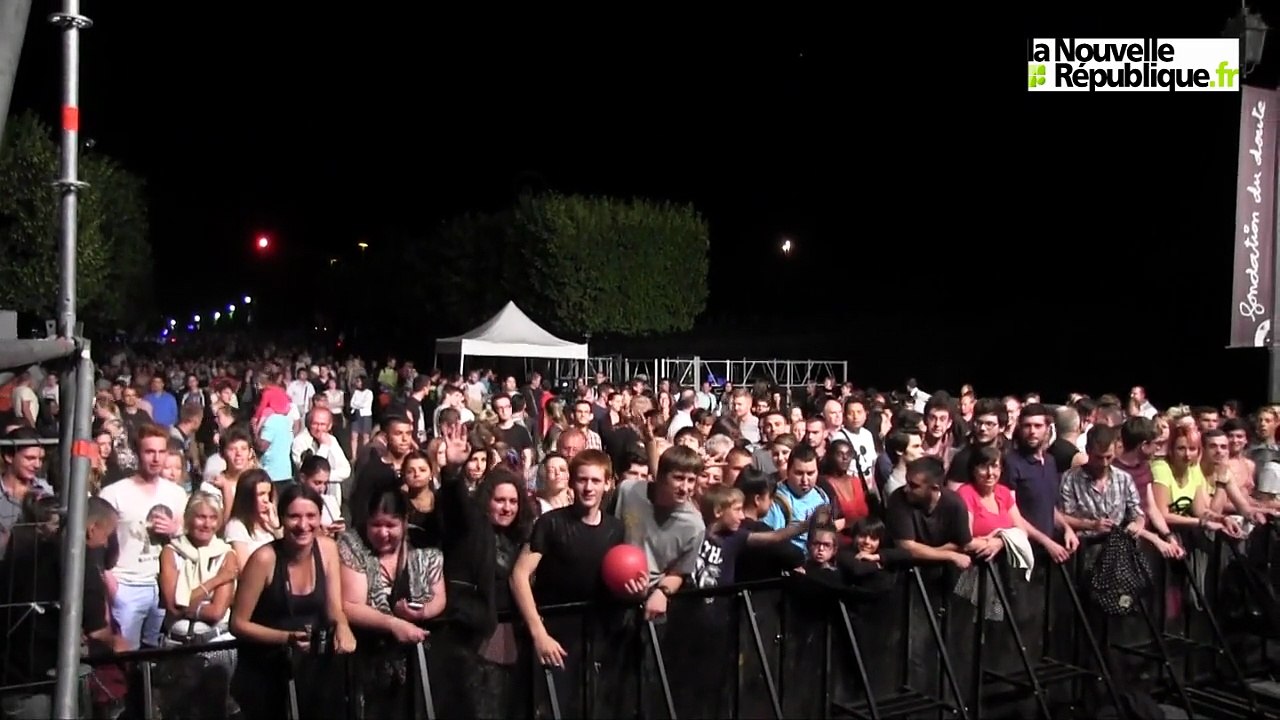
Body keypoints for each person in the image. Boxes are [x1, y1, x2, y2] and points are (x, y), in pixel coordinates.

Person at [510, 449, 625, 718]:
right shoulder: (550, 523)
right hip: (553, 638)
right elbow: (518, 576)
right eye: (582, 480)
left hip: (595, 639)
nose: (588, 487)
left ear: (608, 484)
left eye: (596, 481)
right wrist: (539, 634)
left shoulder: (616, 529)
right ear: (572, 483)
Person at [229, 483, 356, 720]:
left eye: (311, 516)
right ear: (281, 518)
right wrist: (286, 638)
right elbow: (238, 624)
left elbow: (334, 606)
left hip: (312, 671)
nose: (303, 525)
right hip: (266, 673)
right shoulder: (264, 559)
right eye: (294, 516)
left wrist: (342, 625)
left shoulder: (327, 548)